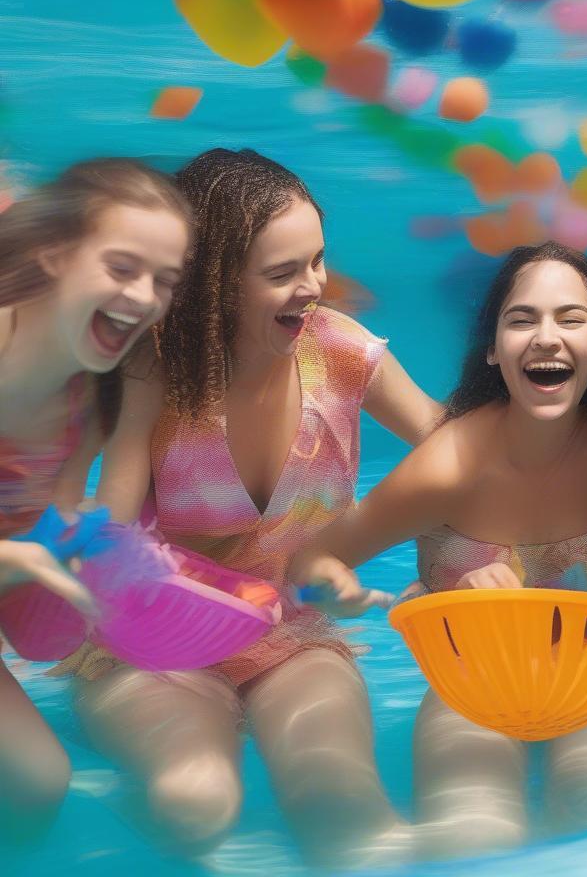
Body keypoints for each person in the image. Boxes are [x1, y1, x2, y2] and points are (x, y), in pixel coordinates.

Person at [67, 149, 439, 865]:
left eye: (318, 261)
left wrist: (453, 559)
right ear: (216, 285)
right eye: (283, 273)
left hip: (288, 636)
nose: (314, 287)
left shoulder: (344, 354)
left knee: (345, 810)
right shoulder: (155, 372)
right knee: (195, 803)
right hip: (155, 643)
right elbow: (111, 526)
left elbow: (458, 455)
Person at [293, 241, 587, 859]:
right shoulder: (451, 464)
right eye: (522, 319)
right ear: (493, 350)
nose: (546, 338)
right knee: (479, 837)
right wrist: (341, 592)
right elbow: (316, 558)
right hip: (467, 691)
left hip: (586, 685)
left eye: (571, 318)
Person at [0, 159, 191, 838]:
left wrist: (91, 566)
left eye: (164, 280)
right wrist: (24, 562)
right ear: (53, 253)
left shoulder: (85, 401)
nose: (143, 297)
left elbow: (30, 589)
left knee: (39, 783)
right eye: (121, 268)